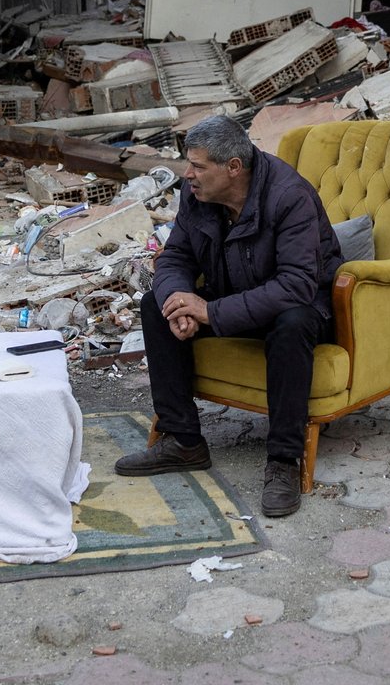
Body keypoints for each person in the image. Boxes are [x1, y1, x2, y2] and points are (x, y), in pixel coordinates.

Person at [113, 115, 341, 518]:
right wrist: (180, 300)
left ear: (233, 167)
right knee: (155, 305)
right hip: (233, 295)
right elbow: (177, 255)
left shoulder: (289, 197)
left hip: (299, 307)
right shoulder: (196, 195)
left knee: (292, 323)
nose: (188, 175)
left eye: (198, 166)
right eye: (189, 164)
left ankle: (284, 461)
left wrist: (210, 311)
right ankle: (183, 440)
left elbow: (297, 285)